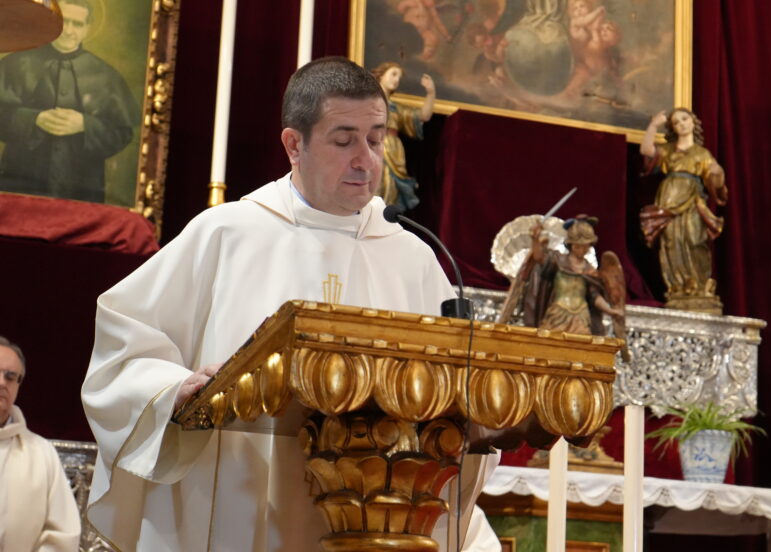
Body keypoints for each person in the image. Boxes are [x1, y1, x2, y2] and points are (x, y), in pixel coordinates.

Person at [82, 57, 498, 551]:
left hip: (372, 516)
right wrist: (173, 389)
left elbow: (457, 392)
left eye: (375, 138)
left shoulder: (413, 255)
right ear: (294, 145)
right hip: (241, 506)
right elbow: (124, 348)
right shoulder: (228, 233)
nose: (366, 160)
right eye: (344, 141)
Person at [0, 0, 139, 203]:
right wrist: (33, 119)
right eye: (63, 22)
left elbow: (122, 132)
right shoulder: (17, 63)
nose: (68, 31)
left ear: (87, 28)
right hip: (20, 180)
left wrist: (84, 124)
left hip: (82, 187)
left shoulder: (106, 74)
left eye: (77, 24)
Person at [639, 108, 727, 313]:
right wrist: (653, 126)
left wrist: (717, 173)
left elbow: (716, 183)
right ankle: (678, 287)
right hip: (669, 199)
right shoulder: (668, 150)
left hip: (692, 201)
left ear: (693, 122)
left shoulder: (702, 154)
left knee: (695, 240)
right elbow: (646, 150)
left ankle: (699, 286)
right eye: (676, 123)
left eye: (685, 119)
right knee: (672, 241)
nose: (682, 124)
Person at [0, 336, 81, 551]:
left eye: (10, 376)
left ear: (18, 384)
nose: (2, 383)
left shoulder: (41, 453)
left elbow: (62, 535)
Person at [520, 216, 625, 335]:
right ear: (571, 244)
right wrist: (535, 239)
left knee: (581, 342)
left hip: (580, 318)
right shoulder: (558, 261)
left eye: (585, 246)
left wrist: (610, 311)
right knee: (550, 340)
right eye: (578, 246)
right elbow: (539, 258)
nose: (582, 250)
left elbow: (595, 297)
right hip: (557, 314)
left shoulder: (590, 271)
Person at [370, 61, 435, 211]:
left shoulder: (396, 108)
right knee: (373, 185)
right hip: (373, 146)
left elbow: (423, 116)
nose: (397, 79)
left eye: (399, 77)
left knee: (391, 190)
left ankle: (383, 221)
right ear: (381, 75)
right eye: (393, 74)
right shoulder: (367, 101)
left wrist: (431, 93)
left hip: (394, 151)